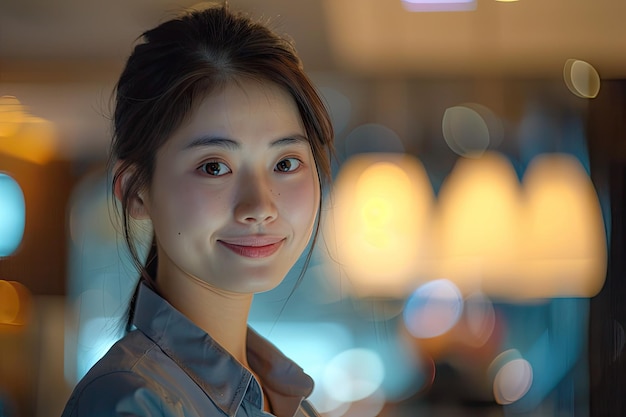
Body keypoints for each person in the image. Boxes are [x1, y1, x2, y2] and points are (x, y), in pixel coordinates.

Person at [61, 3, 334, 416]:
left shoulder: (289, 399)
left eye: (284, 164)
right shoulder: (131, 402)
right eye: (214, 167)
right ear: (136, 191)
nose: (259, 207)